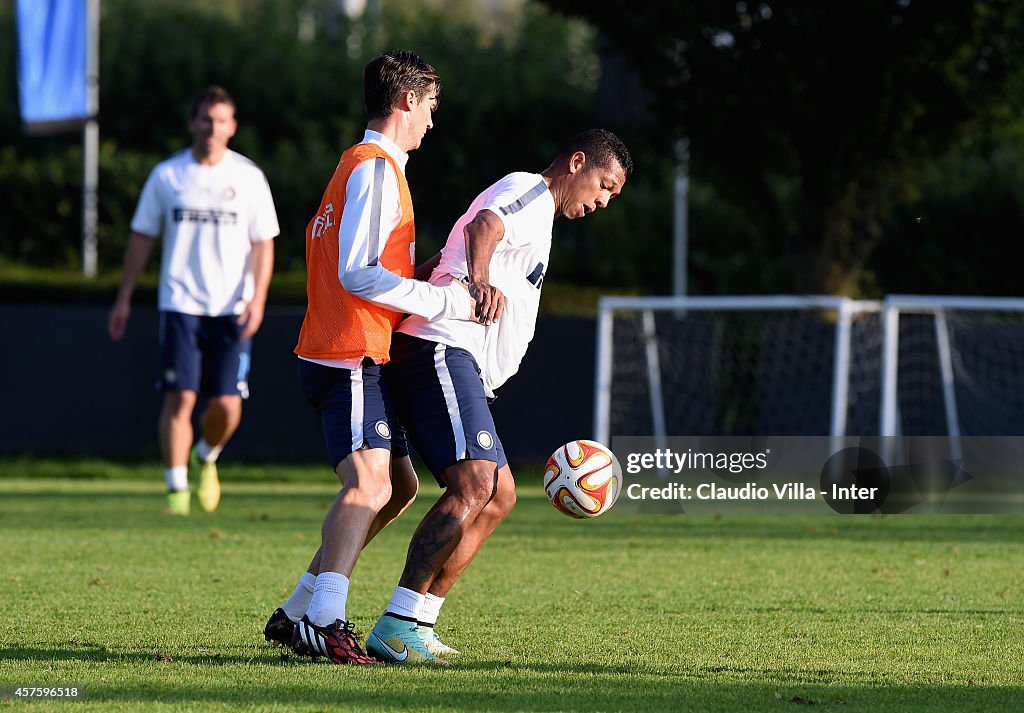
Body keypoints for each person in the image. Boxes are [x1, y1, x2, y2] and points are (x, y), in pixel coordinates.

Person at [366, 129, 633, 664]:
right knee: (474, 482)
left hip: (465, 363)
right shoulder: (529, 191)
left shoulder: (540, 216)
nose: (602, 202)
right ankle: (394, 623)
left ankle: (418, 621)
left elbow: (448, 250)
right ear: (576, 162)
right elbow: (485, 227)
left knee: (501, 495)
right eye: (603, 185)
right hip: (444, 347)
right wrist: (479, 283)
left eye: (611, 196)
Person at [261, 50, 486, 666]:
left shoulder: (360, 166)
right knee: (369, 483)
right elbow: (357, 272)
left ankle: (300, 608)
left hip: (353, 348)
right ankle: (325, 619)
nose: (433, 122)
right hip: (347, 350)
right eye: (431, 106)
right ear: (406, 100)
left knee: (397, 487)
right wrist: (442, 300)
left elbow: (364, 268)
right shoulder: (375, 169)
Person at [108, 86, 279, 516]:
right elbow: (141, 238)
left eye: (221, 120)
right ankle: (176, 491)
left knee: (226, 405)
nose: (212, 127)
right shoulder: (167, 176)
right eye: (205, 118)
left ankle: (206, 456)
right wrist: (124, 298)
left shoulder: (248, 177)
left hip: (232, 307)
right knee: (181, 398)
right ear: (192, 123)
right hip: (180, 303)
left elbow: (263, 244)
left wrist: (258, 299)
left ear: (232, 127)